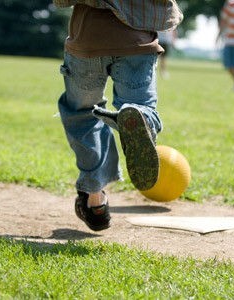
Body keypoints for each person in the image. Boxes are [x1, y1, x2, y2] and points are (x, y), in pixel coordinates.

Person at [53, 0, 183, 231]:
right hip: (137, 40)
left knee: (83, 115)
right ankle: (139, 117)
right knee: (141, 105)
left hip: (88, 37)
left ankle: (95, 201)